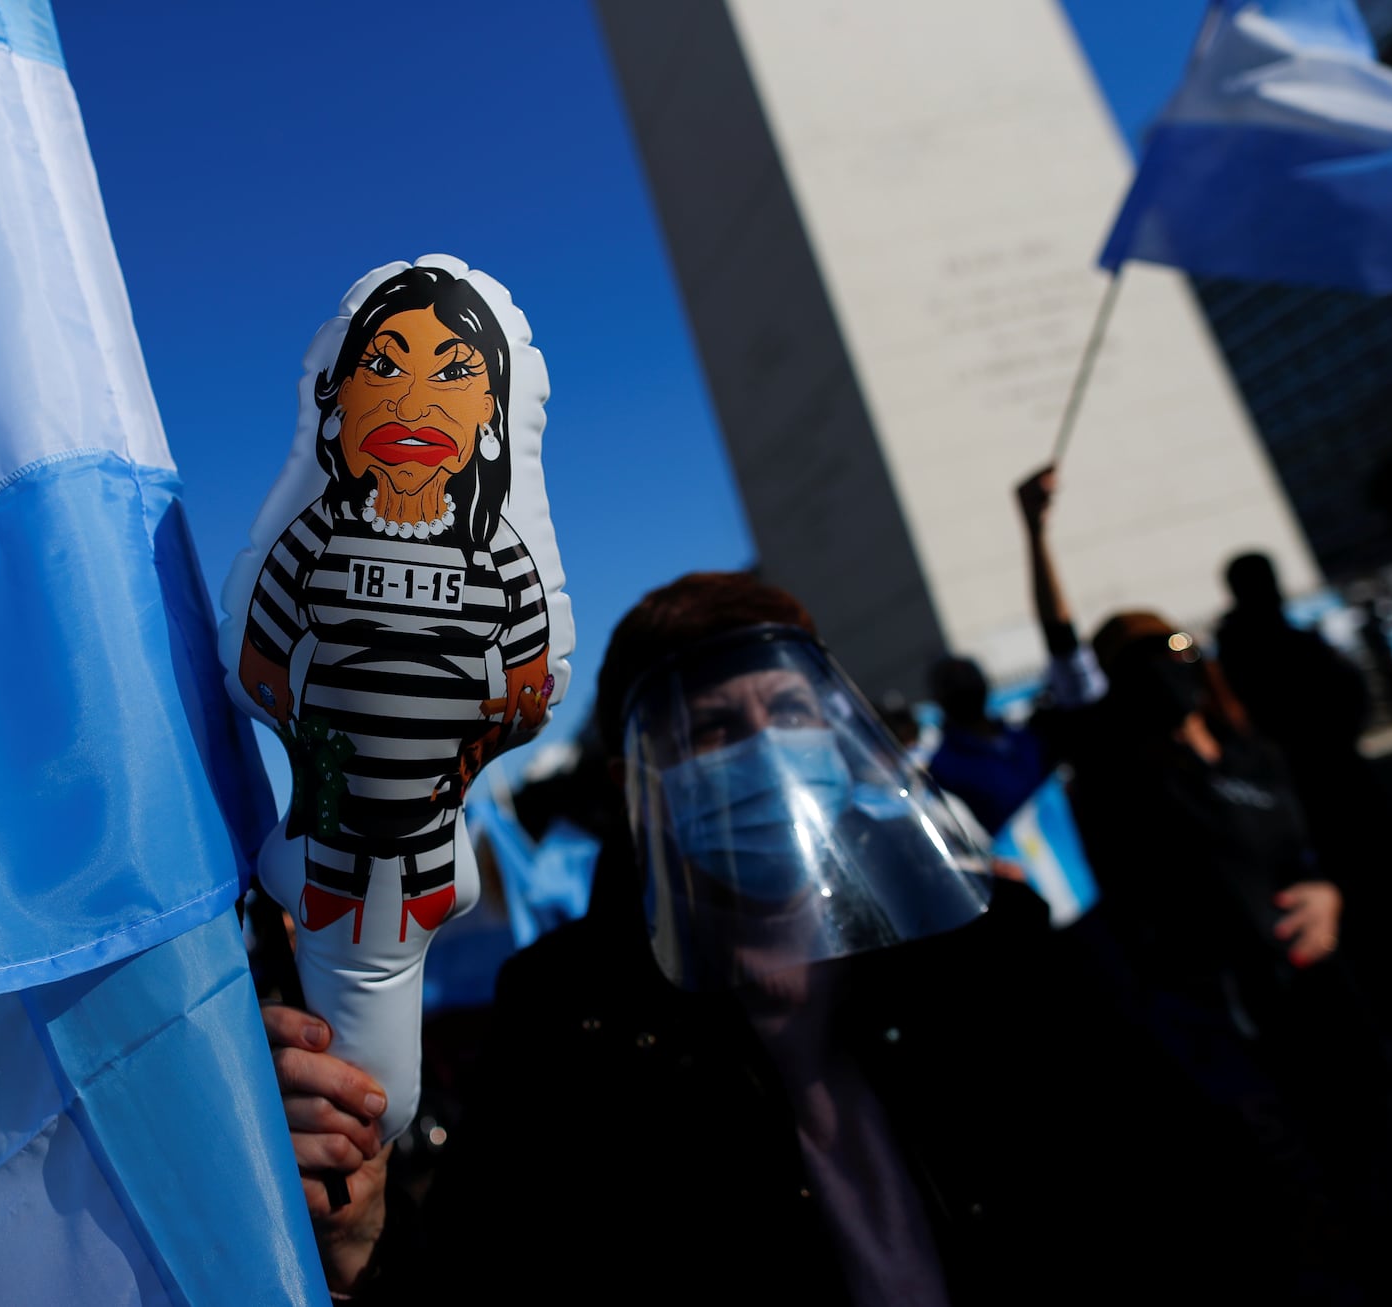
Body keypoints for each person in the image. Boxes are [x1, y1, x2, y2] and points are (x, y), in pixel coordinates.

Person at [265, 571, 1276, 1305]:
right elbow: (490, 1280)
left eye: (789, 710)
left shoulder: (988, 947)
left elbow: (1191, 1185)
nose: (763, 749)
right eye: (711, 729)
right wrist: (364, 1241)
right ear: (634, 782)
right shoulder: (568, 1011)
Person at [1017, 466, 1392, 1306]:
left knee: (1371, 1177)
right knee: (1290, 1205)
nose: (1163, 668)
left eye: (1174, 649)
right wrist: (1035, 533)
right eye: (1134, 662)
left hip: (1319, 997)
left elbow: (1304, 856)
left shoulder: (1256, 754)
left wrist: (1327, 895)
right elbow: (1062, 645)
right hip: (1217, 1015)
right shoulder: (1124, 767)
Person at [238, 263, 555, 945]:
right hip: (331, 766)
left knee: (426, 848)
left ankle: (423, 889)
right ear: (340, 399)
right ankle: (333, 894)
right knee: (335, 849)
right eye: (383, 366)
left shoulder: (493, 545)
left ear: (491, 416)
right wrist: (263, 661)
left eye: (452, 374)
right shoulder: (321, 527)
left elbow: (527, 626)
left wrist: (525, 681)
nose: (412, 404)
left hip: (440, 782)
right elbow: (272, 605)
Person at [1217, 552, 1392, 1030]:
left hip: (1330, 787)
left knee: (1378, 908)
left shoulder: (1265, 645)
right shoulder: (1261, 649)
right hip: (1312, 797)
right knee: (1362, 915)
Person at [924, 654, 1046, 834]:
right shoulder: (943, 769)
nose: (967, 688)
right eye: (955, 684)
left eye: (970, 679)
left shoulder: (1024, 736)